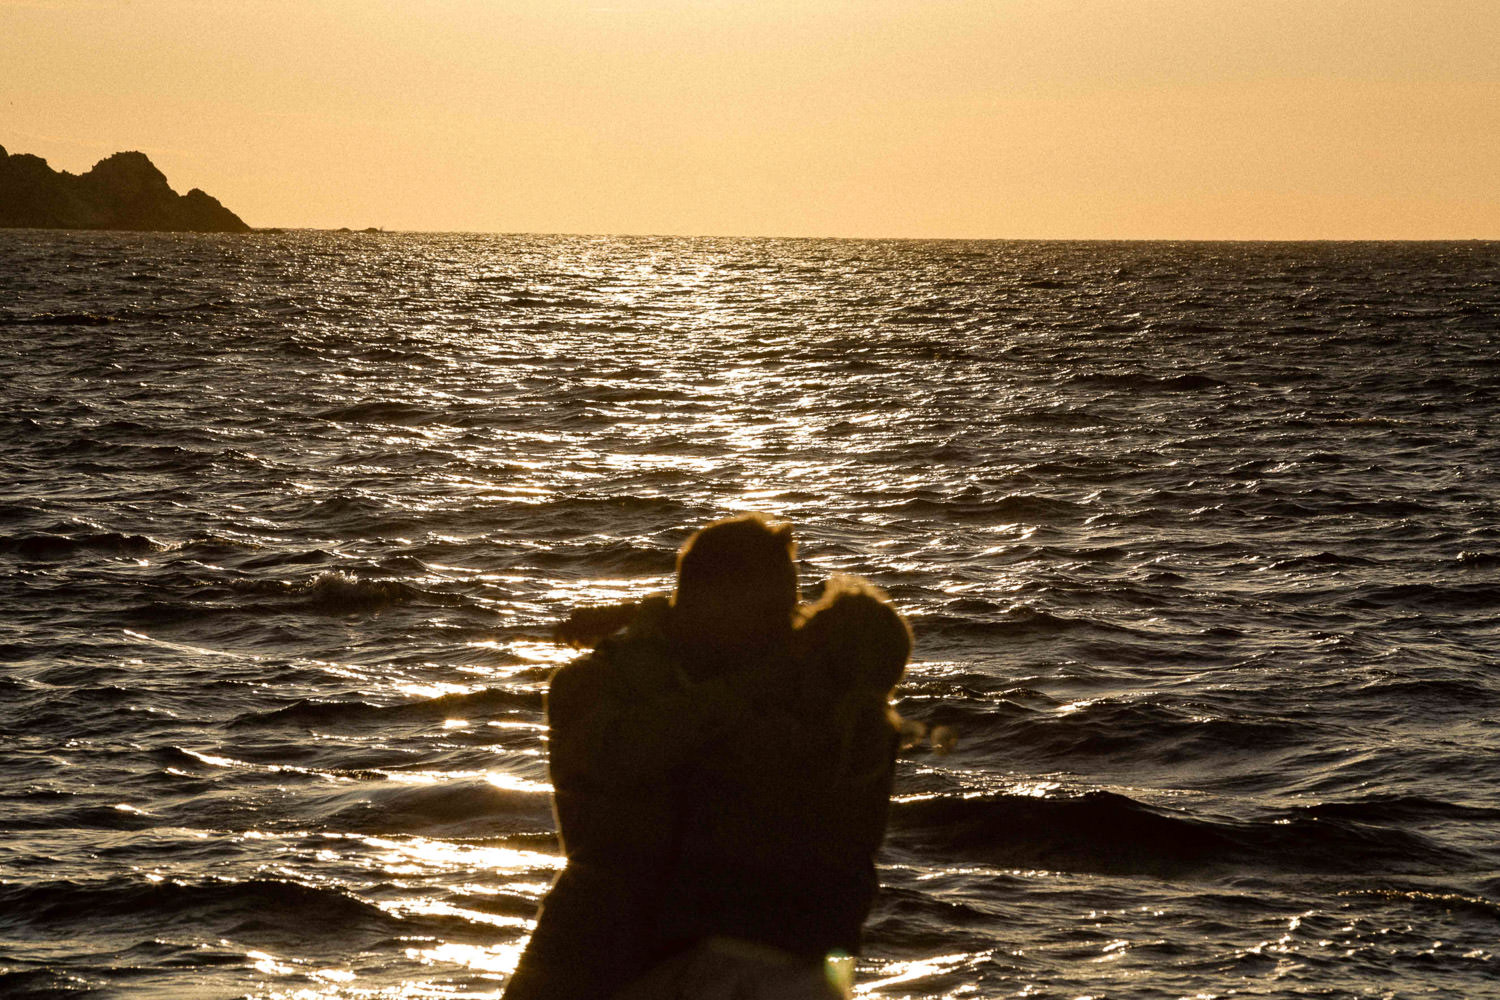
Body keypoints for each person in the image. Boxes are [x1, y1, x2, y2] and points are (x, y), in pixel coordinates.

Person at [502, 513, 801, 1000]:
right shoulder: (590, 685)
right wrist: (743, 688)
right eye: (771, 612)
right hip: (595, 961)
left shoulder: (773, 687)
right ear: (711, 601)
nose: (785, 628)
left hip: (715, 960)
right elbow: (622, 753)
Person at [619, 575, 910, 1000]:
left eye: (809, 621)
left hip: (731, 950)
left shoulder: (768, 729)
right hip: (822, 959)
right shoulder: (872, 740)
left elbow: (664, 722)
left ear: (812, 646)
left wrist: (646, 628)